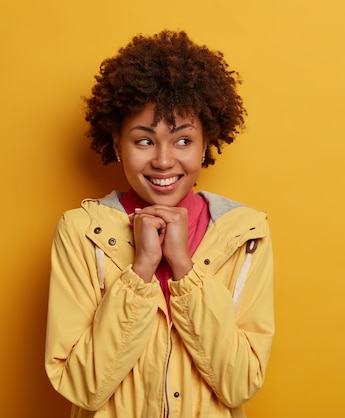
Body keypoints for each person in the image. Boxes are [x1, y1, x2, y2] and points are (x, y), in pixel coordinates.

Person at [44, 30, 274, 418]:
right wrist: (141, 271)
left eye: (183, 141)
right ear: (117, 145)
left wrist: (183, 268)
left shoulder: (245, 234)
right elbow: (81, 387)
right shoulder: (80, 231)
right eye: (145, 141)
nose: (164, 161)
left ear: (206, 143)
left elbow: (240, 384)